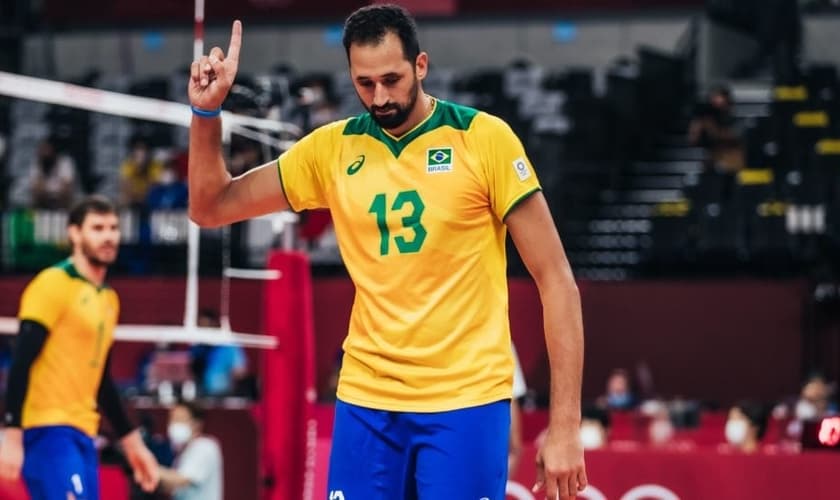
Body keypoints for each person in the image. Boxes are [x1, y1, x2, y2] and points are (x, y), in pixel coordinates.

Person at [186, 5, 586, 499]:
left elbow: (556, 280)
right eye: (365, 83)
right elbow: (211, 206)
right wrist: (207, 115)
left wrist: (565, 426)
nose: (379, 97)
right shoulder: (333, 149)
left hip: (466, 399)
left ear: (421, 65)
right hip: (367, 399)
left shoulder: (483, 139)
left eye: (392, 80)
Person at [0, 195, 159, 499]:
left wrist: (134, 446)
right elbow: (20, 361)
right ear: (74, 233)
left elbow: (102, 382)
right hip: (47, 431)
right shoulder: (52, 284)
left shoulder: (108, 299)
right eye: (97, 228)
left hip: (84, 434)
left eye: (113, 228)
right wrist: (12, 433)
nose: (108, 236)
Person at [158, 402, 223, 500]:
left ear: (197, 424)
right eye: (172, 419)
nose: (174, 423)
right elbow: (170, 487)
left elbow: (182, 479)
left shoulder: (205, 446)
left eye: (179, 419)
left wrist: (149, 466)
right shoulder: (181, 453)